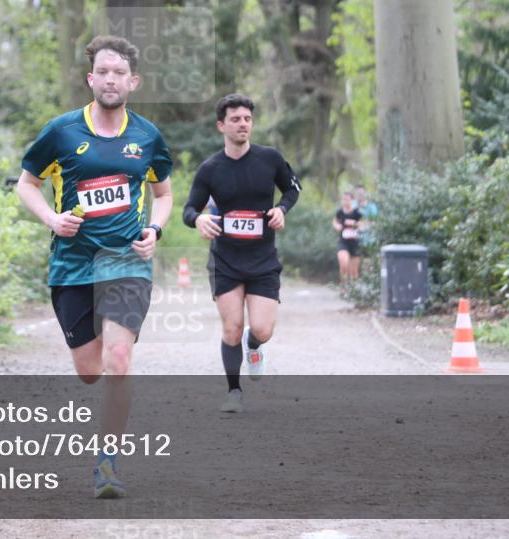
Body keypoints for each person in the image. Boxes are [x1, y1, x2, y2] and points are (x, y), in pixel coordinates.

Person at [16, 35, 173, 499]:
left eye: (118, 73)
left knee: (118, 360)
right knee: (90, 369)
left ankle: (107, 463)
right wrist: (51, 217)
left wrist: (155, 231)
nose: (110, 79)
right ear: (91, 78)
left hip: (126, 261)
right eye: (102, 72)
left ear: (132, 81)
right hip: (72, 264)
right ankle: (103, 366)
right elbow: (26, 185)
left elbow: (162, 195)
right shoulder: (62, 131)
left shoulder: (146, 137)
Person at [182, 93, 301, 413]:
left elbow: (293, 188)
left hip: (262, 258)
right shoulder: (210, 169)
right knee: (231, 326)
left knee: (262, 329)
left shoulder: (270, 158)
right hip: (225, 259)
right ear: (221, 125)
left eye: (247, 119)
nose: (243, 124)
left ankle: (254, 346)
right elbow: (188, 209)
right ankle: (234, 391)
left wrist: (282, 209)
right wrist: (200, 219)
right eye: (235, 119)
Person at [333, 191, 362, 283]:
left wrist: (355, 224)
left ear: (352, 200)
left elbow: (365, 224)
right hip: (343, 242)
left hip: (355, 242)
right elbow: (335, 221)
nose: (345, 202)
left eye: (347, 200)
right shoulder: (339, 212)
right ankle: (344, 287)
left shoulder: (357, 212)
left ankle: (354, 291)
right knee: (344, 264)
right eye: (343, 199)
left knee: (354, 271)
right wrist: (337, 226)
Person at [353, 184, 379, 254]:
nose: (359, 195)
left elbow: (373, 221)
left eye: (361, 193)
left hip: (369, 239)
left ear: (365, 193)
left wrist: (364, 225)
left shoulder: (371, 206)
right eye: (358, 193)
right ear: (354, 194)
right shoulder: (352, 205)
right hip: (354, 239)